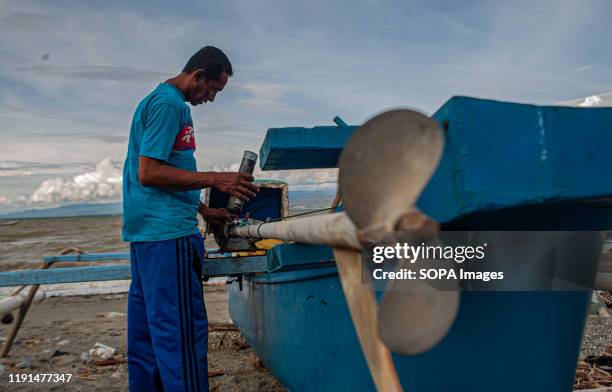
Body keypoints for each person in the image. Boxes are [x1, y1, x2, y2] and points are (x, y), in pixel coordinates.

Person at [121, 46, 258, 392]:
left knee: (149, 336)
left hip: (146, 235)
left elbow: (170, 171)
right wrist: (215, 178)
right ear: (197, 76)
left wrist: (202, 209)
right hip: (169, 237)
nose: (211, 98)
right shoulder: (171, 106)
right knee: (180, 336)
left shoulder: (157, 100)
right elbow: (150, 172)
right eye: (212, 89)